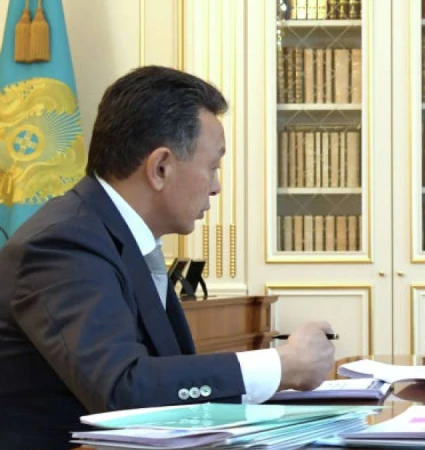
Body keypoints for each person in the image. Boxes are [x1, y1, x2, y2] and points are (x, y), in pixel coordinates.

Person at [0, 66, 335, 449]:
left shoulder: (119, 238)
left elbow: (162, 381)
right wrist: (282, 366)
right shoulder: (62, 244)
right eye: (212, 167)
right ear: (160, 167)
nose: (216, 186)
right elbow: (123, 389)